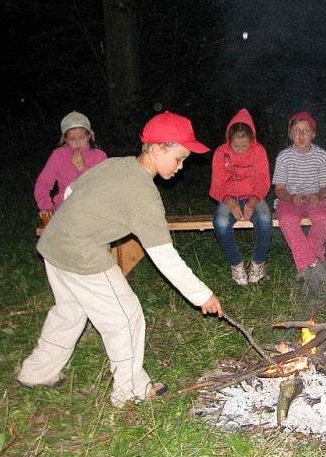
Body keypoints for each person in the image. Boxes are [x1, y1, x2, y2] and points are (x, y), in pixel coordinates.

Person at [18, 111, 223, 407]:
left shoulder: (116, 164)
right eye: (178, 158)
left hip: (54, 243)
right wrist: (201, 294)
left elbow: (74, 189)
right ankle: (129, 392)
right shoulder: (144, 195)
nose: (181, 167)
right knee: (126, 316)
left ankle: (36, 372)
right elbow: (164, 256)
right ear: (155, 148)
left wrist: (77, 221)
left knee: (70, 311)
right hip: (80, 252)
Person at [209, 108, 273, 285]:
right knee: (221, 223)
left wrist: (252, 202)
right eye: (235, 146)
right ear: (229, 139)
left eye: (244, 146)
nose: (239, 150)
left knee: (266, 221)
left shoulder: (259, 151)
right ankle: (236, 263)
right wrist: (230, 202)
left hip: (254, 196)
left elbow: (264, 182)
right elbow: (216, 186)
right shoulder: (221, 153)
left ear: (251, 140)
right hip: (228, 197)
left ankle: (258, 263)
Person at [272, 111, 326, 286]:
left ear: (313, 134)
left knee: (324, 217)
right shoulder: (284, 157)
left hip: (315, 196)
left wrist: (319, 196)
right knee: (288, 219)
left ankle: (306, 265)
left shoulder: (322, 156)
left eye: (305, 131)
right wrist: (291, 198)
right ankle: (313, 263)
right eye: (296, 131)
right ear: (291, 134)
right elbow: (279, 189)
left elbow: (325, 187)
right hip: (290, 198)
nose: (301, 135)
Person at [34, 111, 107, 220]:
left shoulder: (99, 156)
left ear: (90, 136)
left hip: (93, 209)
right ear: (65, 139)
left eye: (82, 137)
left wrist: (82, 168)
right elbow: (43, 183)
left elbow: (101, 185)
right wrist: (46, 206)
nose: (78, 143)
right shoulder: (58, 155)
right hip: (65, 209)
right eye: (72, 139)